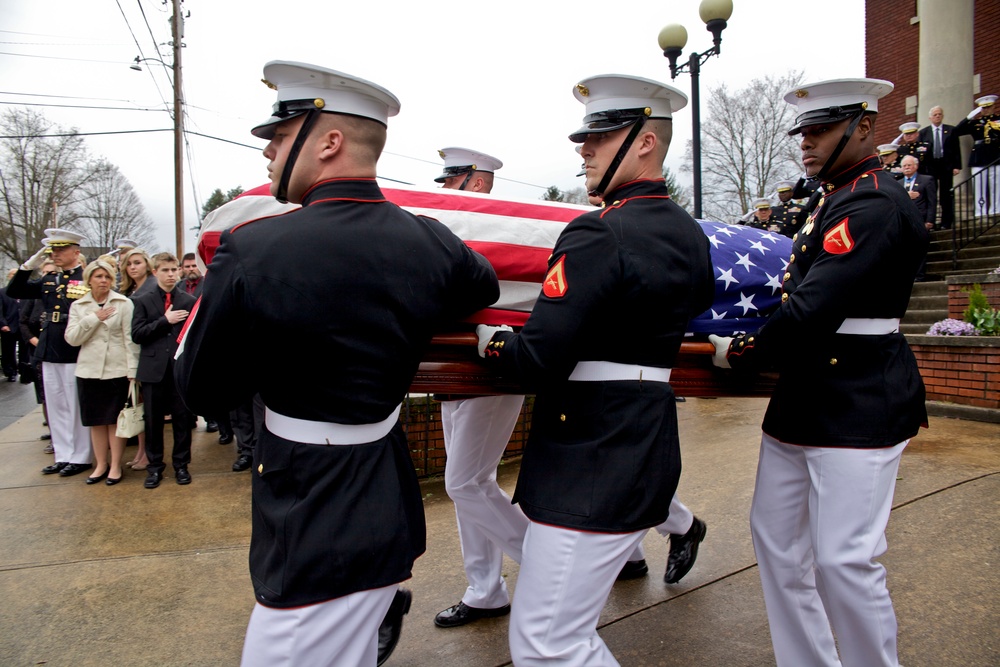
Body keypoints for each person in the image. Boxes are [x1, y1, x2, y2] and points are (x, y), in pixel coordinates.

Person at [173, 61, 499, 667]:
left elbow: (200, 387)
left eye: (278, 136)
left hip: (309, 503)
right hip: (384, 487)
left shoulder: (254, 247)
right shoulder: (428, 239)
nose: (268, 152)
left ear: (329, 142)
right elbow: (480, 288)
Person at [477, 73, 714, 666]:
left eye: (601, 136)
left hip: (591, 452)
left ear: (645, 144)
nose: (584, 147)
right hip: (642, 438)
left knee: (547, 641)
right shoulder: (689, 234)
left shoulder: (596, 233)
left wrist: (492, 343)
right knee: (563, 634)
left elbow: (539, 357)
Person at [709, 78, 927, 667]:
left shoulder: (874, 201)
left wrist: (744, 352)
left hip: (859, 396)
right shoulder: (833, 196)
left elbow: (812, 307)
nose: (806, 143)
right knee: (778, 546)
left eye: (820, 129)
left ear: (864, 127)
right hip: (807, 394)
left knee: (844, 560)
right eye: (801, 131)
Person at [430, 147, 531, 629]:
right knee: (475, 484)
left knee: (464, 484)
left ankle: (549, 566)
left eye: (454, 181)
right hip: (455, 378)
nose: (445, 189)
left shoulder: (493, 235)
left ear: (477, 182)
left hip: (491, 374)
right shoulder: (450, 230)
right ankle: (486, 589)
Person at [7, 228, 93, 477]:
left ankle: (82, 456)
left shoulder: (85, 277)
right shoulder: (48, 280)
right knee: (55, 406)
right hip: (48, 347)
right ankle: (64, 454)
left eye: (61, 249)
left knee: (74, 406)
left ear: (76, 251)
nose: (55, 254)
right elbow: (15, 291)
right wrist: (29, 265)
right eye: (52, 250)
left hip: (72, 348)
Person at [64, 258, 139, 485]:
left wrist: (132, 369)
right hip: (89, 370)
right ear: (89, 280)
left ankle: (115, 465)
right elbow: (72, 338)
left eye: (107, 276)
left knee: (115, 421)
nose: (104, 281)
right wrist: (94, 318)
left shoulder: (123, 303)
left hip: (116, 370)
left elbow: (129, 339)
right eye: (99, 277)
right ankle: (100, 464)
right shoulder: (79, 306)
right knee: (96, 421)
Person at [131, 252, 197, 489]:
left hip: (178, 370)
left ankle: (181, 465)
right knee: (153, 421)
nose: (171, 275)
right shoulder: (143, 300)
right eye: (165, 270)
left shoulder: (188, 301)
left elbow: (193, 337)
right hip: (153, 370)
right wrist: (164, 320)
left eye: (174, 270)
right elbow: (137, 334)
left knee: (182, 420)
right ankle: (155, 467)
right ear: (155, 272)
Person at [117, 247, 153, 470]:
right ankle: (141, 451)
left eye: (137, 263)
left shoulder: (150, 289)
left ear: (146, 265)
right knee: (138, 407)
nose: (133, 267)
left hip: (146, 354)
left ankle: (146, 453)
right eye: (129, 264)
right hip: (131, 353)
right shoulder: (129, 291)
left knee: (145, 408)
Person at [954, 94, 1000, 218]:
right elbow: (957, 131)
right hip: (979, 157)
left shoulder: (998, 120)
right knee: (979, 186)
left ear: (993, 107)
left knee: (996, 185)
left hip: (995, 155)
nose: (986, 110)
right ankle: (980, 212)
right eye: (983, 108)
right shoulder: (975, 123)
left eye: (988, 107)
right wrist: (969, 117)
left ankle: (995, 210)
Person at [917, 106, 961, 229]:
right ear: (930, 117)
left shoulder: (950, 130)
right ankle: (931, 221)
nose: (937, 116)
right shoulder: (923, 133)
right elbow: (921, 153)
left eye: (939, 114)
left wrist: (957, 166)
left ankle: (946, 222)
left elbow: (956, 149)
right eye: (935, 114)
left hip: (946, 166)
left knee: (946, 195)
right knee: (931, 195)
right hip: (931, 167)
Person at [0, 270, 22, 381]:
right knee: (8, 351)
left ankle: (23, 371)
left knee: (24, 351)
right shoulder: (3, 292)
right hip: (8, 326)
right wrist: (3, 324)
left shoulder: (24, 291)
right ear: (9, 276)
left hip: (22, 326)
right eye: (12, 274)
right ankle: (10, 372)